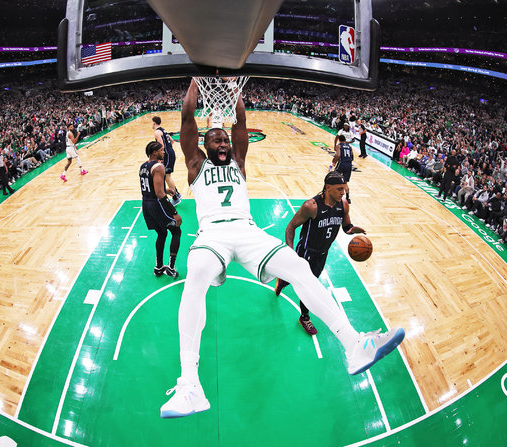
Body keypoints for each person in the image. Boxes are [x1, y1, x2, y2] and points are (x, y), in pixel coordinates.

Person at [160, 79, 405, 419]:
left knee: (299, 268)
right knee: (196, 276)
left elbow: (241, 123)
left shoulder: (238, 163)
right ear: (203, 144)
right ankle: (190, 385)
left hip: (247, 231)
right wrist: (195, 83)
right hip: (212, 234)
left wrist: (234, 91)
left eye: (225, 139)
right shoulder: (196, 166)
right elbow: (187, 119)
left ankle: (355, 346)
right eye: (216, 138)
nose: (223, 142)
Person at [275, 171, 366, 335]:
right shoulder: (311, 206)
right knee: (308, 287)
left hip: (323, 254)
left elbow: (346, 227)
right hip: (305, 253)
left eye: (344, 189)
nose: (342, 193)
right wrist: (290, 252)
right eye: (339, 189)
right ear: (327, 187)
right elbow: (290, 227)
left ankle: (283, 281)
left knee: (302, 282)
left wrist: (352, 230)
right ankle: (304, 317)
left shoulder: (343, 204)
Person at [139, 140, 182, 278]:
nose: (164, 152)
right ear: (154, 152)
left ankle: (158, 267)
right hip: (158, 205)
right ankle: (170, 267)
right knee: (176, 230)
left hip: (146, 204)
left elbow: (152, 187)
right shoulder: (159, 167)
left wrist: (166, 189)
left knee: (162, 234)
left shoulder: (143, 166)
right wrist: (174, 213)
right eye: (161, 150)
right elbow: (159, 194)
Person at [152, 116, 182, 205]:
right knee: (166, 176)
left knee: (167, 176)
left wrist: (160, 158)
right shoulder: (163, 130)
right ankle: (177, 194)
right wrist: (169, 150)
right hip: (170, 153)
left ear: (154, 123)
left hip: (167, 155)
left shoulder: (157, 132)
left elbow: (161, 146)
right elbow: (172, 141)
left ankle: (176, 198)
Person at [332, 134, 354, 204]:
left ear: (339, 140)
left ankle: (333, 194)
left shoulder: (339, 146)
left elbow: (338, 155)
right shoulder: (349, 147)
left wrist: (334, 161)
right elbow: (352, 157)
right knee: (345, 182)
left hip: (342, 163)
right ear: (345, 140)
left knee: (334, 177)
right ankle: (348, 198)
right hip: (349, 165)